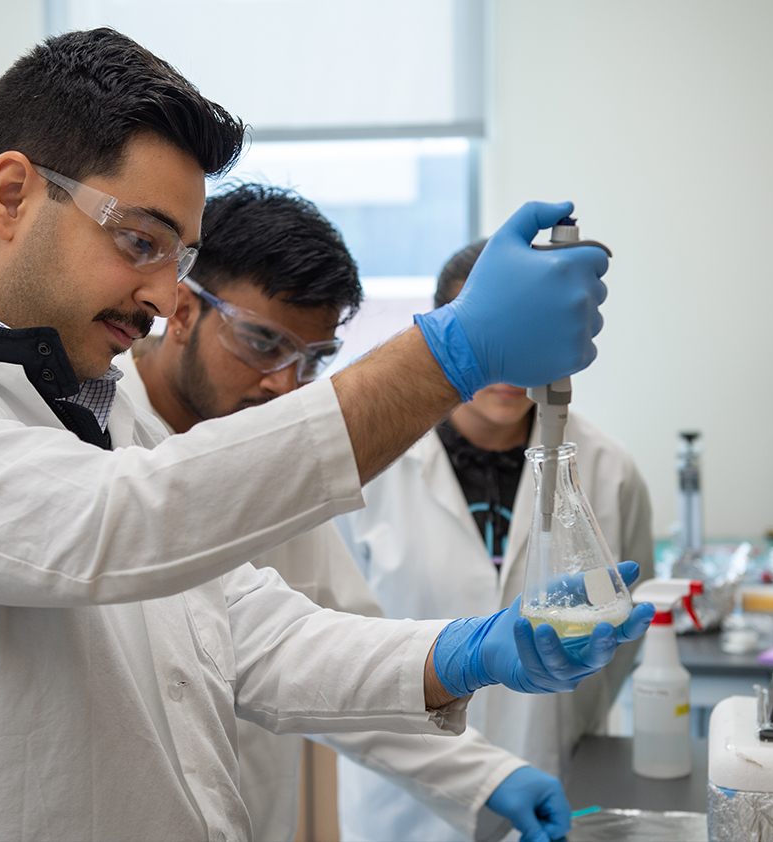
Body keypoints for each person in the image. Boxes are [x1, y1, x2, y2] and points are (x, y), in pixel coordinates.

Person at [0, 29, 650, 841]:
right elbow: (109, 526)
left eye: (180, 257)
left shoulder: (102, 414)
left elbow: (249, 633)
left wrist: (463, 652)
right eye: (141, 241)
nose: (168, 295)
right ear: (10, 195)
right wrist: (446, 356)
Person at [120, 182, 585, 842]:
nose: (285, 383)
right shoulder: (95, 439)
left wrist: (486, 776)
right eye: (261, 342)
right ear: (184, 309)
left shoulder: (273, 459)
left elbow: (340, 659)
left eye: (313, 360)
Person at [334, 238, 656, 842]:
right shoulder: (368, 471)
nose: (510, 365)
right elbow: (336, 646)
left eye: (528, 338)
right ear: (441, 334)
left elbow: (618, 657)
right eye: (491, 338)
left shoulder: (611, 472)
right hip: (405, 812)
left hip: (553, 781)